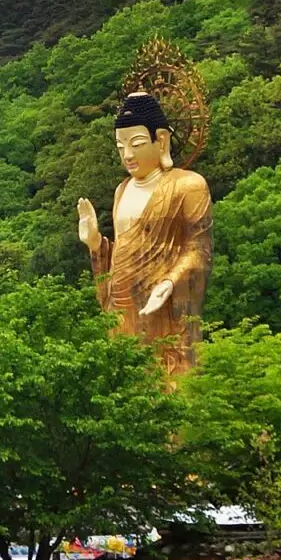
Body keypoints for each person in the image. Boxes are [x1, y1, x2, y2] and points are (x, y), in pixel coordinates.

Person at [77, 92, 212, 375]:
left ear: (160, 140)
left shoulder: (188, 186)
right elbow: (122, 253)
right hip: (122, 307)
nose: (128, 154)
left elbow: (198, 250)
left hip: (165, 307)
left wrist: (170, 282)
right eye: (120, 146)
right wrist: (95, 244)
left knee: (169, 381)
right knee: (128, 381)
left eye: (136, 144)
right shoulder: (122, 189)